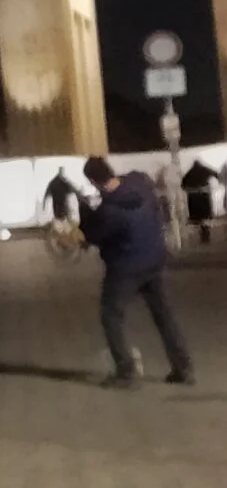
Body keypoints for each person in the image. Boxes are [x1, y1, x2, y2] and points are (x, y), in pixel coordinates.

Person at [80, 156, 196, 388]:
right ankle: (183, 368)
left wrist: (85, 217)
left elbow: (93, 235)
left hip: (126, 268)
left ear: (93, 181)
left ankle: (126, 371)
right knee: (164, 316)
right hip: (154, 260)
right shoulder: (140, 183)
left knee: (111, 314)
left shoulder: (109, 210)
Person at [181, 155, 222, 244]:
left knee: (199, 217)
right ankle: (205, 233)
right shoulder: (204, 169)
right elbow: (216, 174)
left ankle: (203, 233)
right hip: (204, 195)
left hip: (194, 197)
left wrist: (191, 189)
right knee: (205, 216)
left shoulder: (190, 172)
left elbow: (183, 185)